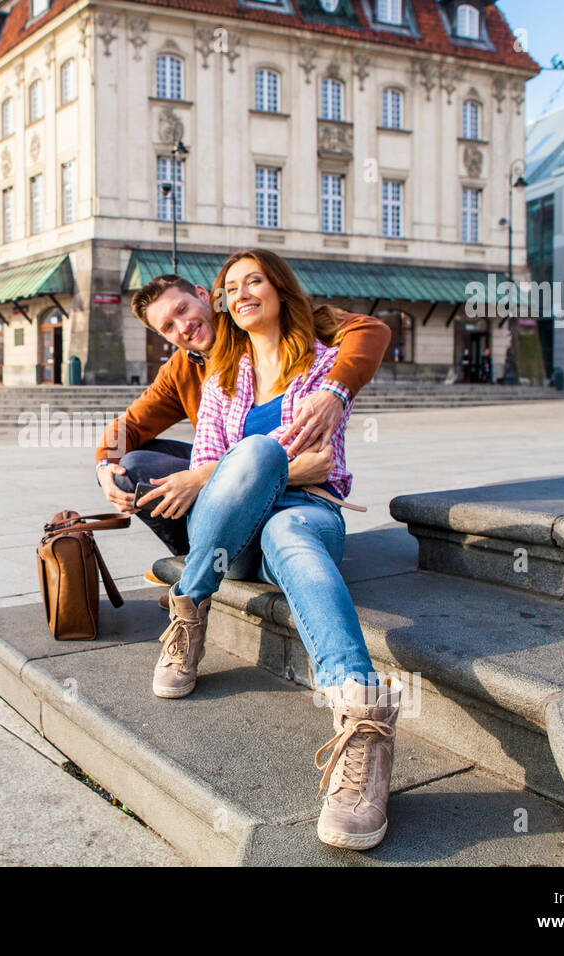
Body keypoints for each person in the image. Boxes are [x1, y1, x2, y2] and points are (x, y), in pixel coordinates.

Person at [138, 248, 402, 852]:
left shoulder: (321, 364)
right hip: (234, 536)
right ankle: (191, 605)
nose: (241, 292)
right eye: (231, 287)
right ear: (223, 302)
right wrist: (255, 465)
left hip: (311, 514)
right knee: (258, 454)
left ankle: (363, 720)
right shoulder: (221, 380)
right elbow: (221, 464)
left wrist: (250, 471)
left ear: (279, 289)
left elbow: (322, 461)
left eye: (254, 280)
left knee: (290, 530)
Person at [95, 274, 390, 557]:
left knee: (253, 459)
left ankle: (220, 558)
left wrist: (333, 393)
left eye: (183, 309)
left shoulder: (257, 322)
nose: (183, 327)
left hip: (283, 463)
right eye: (168, 327)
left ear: (202, 295)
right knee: (132, 466)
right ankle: (196, 559)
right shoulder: (181, 369)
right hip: (229, 475)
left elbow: (370, 330)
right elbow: (130, 426)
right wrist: (105, 467)